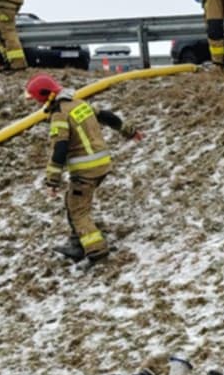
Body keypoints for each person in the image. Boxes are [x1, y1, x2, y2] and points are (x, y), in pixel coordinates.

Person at [29, 73, 143, 262]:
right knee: (74, 203)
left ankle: (95, 250)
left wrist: (52, 180)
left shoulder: (59, 114)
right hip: (102, 164)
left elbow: (60, 148)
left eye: (36, 99)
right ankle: (76, 243)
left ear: (44, 96)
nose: (35, 103)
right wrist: (130, 131)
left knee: (78, 211)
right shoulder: (79, 104)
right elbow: (107, 116)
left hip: (85, 170)